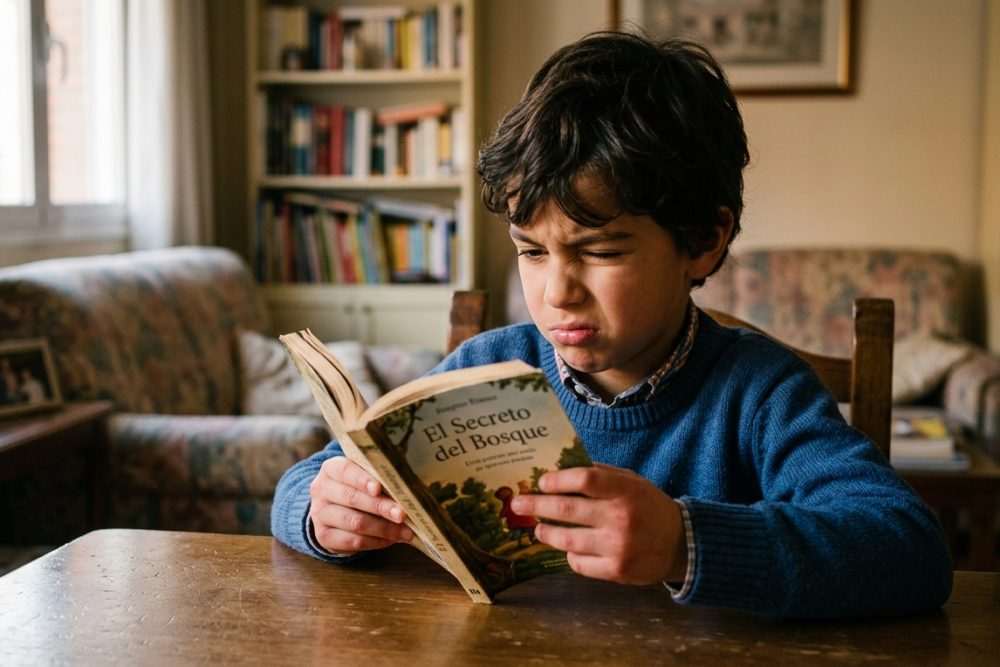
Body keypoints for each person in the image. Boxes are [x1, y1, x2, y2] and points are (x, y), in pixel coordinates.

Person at [272, 31, 952, 619]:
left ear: (704, 241)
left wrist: (683, 542)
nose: (557, 292)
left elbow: (908, 548)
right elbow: (299, 486)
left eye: (600, 252)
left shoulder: (759, 391)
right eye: (532, 252)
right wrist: (324, 513)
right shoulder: (487, 366)